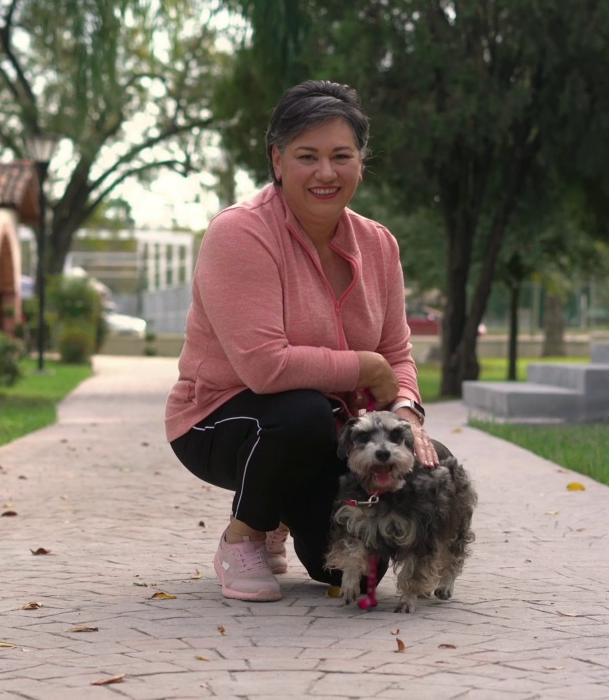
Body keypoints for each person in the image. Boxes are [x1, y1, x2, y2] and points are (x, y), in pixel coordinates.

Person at [165, 80, 438, 602]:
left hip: (330, 432)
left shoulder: (379, 244)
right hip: (222, 421)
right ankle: (243, 537)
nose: (326, 173)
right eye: (307, 156)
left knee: (353, 570)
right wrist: (367, 369)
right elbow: (265, 368)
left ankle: (279, 509)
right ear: (277, 159)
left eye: (342, 155)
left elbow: (398, 356)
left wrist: (406, 410)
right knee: (302, 413)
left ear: (362, 161)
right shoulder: (240, 233)